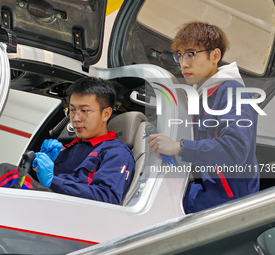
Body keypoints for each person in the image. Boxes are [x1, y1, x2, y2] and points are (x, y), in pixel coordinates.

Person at [148, 21, 259, 213]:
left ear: (215, 55)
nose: (183, 63)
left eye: (191, 54)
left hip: (230, 202)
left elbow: (235, 150)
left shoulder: (233, 92)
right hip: (207, 192)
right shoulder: (201, 95)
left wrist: (179, 147)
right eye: (180, 55)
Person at [32, 77, 135, 205]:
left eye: (85, 111)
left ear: (106, 114)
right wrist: (40, 165)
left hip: (72, 218)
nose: (76, 118)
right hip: (45, 206)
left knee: (7, 173)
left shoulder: (116, 153)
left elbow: (108, 197)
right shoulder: (70, 148)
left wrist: (52, 180)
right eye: (73, 110)